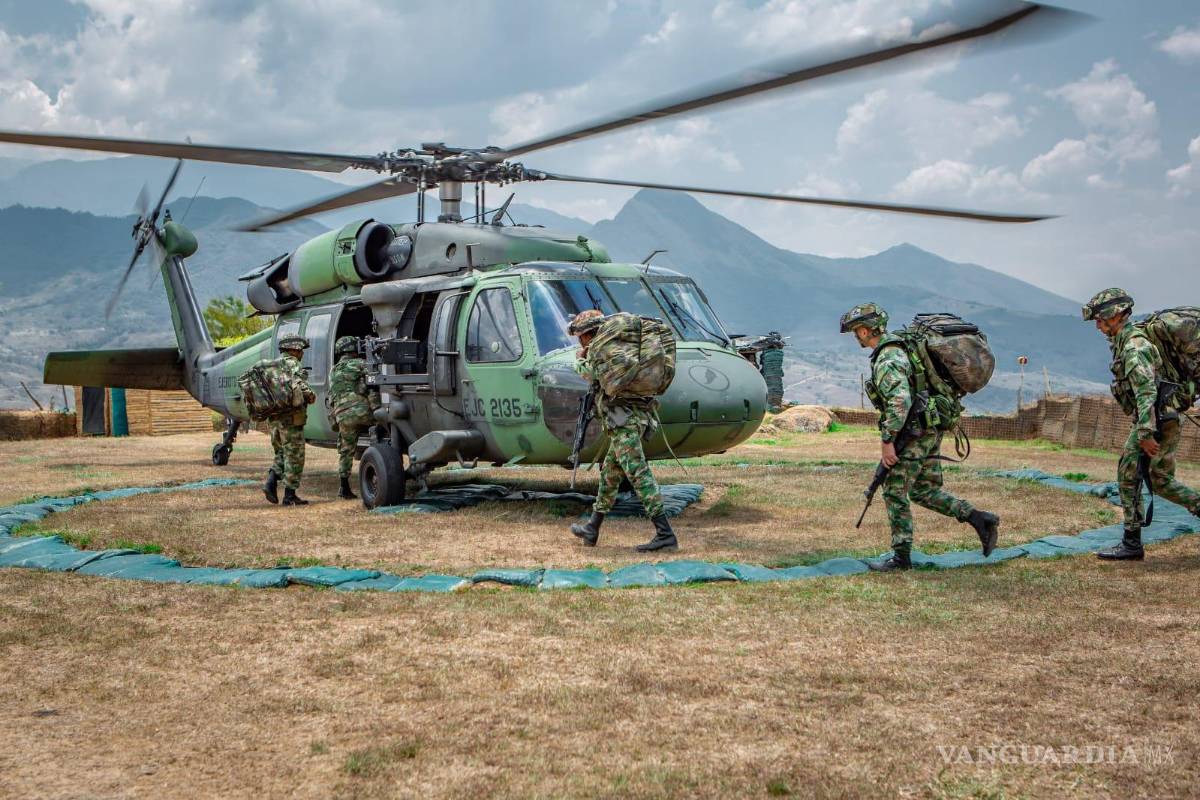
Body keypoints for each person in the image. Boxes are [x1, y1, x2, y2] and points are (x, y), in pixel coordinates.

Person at [840, 303, 999, 571]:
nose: (857, 336)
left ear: (865, 330)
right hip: (929, 427)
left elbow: (899, 401)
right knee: (924, 490)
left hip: (914, 432)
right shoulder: (903, 346)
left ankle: (901, 558)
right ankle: (979, 519)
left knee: (894, 490)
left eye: (856, 331)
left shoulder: (888, 357)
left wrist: (888, 442)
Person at [1082, 288, 1200, 560]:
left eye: (1100, 320)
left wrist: (1146, 432)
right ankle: (1132, 542)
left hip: (1158, 418)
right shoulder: (1126, 340)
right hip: (1160, 416)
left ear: (1116, 316)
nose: (1098, 326)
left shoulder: (1134, 347)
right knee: (1156, 479)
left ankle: (1132, 543)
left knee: (1134, 475)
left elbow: (1146, 391)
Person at [566, 309, 677, 552]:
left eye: (580, 337)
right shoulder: (622, 348)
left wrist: (578, 361)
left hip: (623, 421)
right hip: (637, 417)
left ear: (587, 335)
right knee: (610, 474)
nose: (580, 342)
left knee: (638, 473)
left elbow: (591, 375)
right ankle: (592, 528)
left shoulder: (602, 350)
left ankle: (665, 534)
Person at [263, 333, 315, 507]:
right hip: (291, 418)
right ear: (294, 349)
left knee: (282, 453)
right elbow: (298, 385)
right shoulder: (293, 364)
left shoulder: (272, 365)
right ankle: (289, 495)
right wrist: (310, 395)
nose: (302, 353)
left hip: (274, 419)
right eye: (301, 350)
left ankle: (271, 481)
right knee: (295, 456)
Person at [328, 335, 377, 500]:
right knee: (384, 433)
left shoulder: (333, 370)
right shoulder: (360, 364)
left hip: (342, 414)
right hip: (362, 411)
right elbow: (373, 382)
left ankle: (344, 486)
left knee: (346, 450)